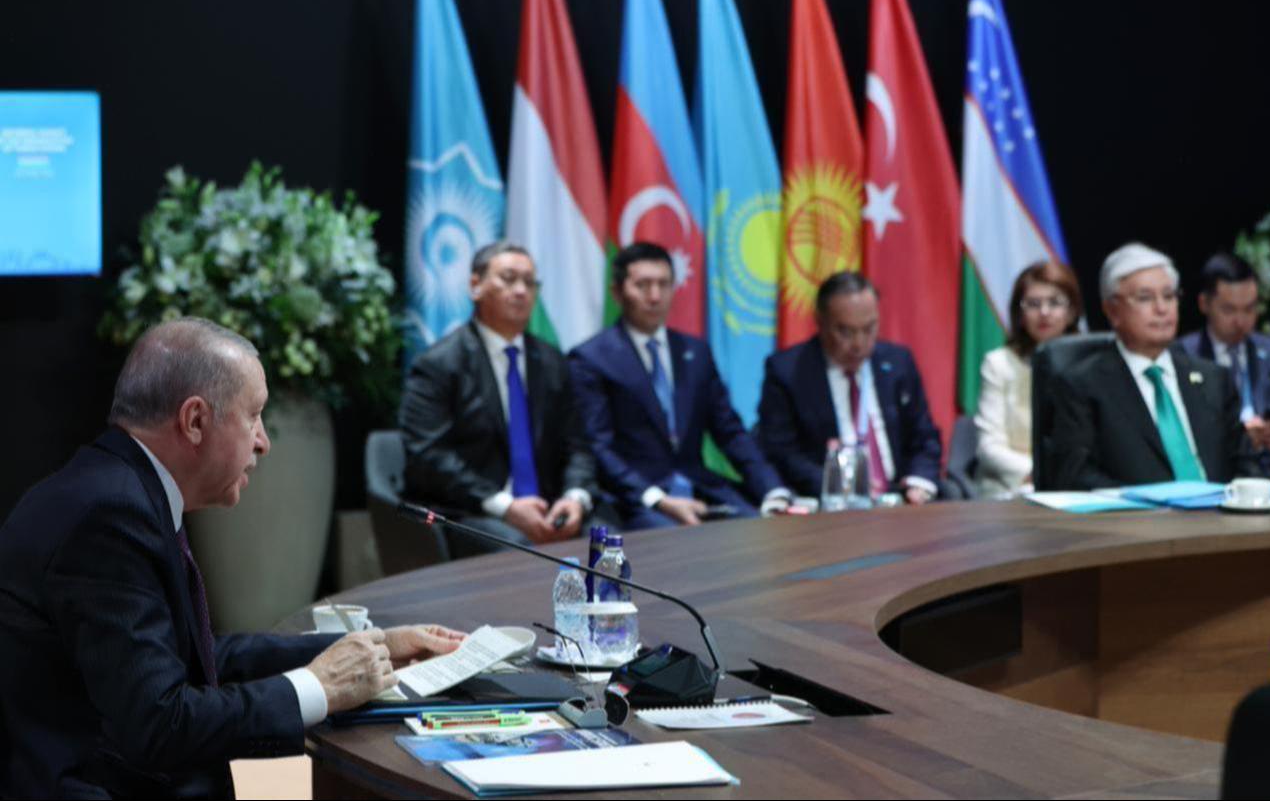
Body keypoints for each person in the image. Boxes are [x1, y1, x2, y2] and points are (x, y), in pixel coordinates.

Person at [0, 317, 464, 798]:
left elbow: (191, 659)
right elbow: (159, 726)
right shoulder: (110, 516)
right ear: (195, 421)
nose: (264, 441)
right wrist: (316, 686)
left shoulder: (122, 487)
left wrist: (373, 645)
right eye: (254, 415)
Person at [400, 242, 609, 555]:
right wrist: (505, 506)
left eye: (529, 282)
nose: (521, 290)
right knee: (520, 551)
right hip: (473, 510)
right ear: (475, 286)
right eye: (509, 279)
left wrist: (574, 497)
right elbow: (428, 456)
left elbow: (578, 445)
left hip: (548, 508)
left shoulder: (552, 361)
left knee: (612, 541)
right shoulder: (438, 365)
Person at [568, 242, 790, 529]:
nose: (655, 296)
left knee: (763, 529)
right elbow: (598, 447)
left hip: (699, 487)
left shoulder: (695, 352)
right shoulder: (591, 358)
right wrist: (657, 499)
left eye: (664, 284)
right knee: (675, 541)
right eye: (642, 285)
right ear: (617, 292)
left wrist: (772, 490)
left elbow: (730, 432)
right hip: (635, 499)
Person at [1047, 243, 1255, 490]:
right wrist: (1143, 503)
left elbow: (1247, 466)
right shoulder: (1082, 385)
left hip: (1219, 512)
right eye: (1145, 298)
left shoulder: (1213, 379)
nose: (1161, 309)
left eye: (1169, 296)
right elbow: (1075, 476)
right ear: (1112, 310)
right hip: (1137, 514)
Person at [756, 271, 942, 504]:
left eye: (869, 328)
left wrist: (918, 481)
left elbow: (925, 438)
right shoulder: (788, 371)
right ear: (820, 322)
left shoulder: (898, 362)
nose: (859, 344)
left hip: (900, 500)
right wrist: (838, 485)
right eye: (845, 332)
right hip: (830, 505)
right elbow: (781, 452)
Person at [974, 261, 1082, 497]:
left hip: (1077, 485)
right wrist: (1042, 473)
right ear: (1019, 314)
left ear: (1072, 311)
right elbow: (989, 447)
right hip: (1009, 488)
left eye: (1055, 302)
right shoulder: (999, 364)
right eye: (1033, 304)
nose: (1044, 312)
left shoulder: (1089, 365)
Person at [1178, 252, 1270, 477]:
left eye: (1249, 309)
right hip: (1218, 474)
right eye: (1229, 310)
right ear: (1204, 304)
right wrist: (1239, 438)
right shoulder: (1183, 356)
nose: (1240, 321)